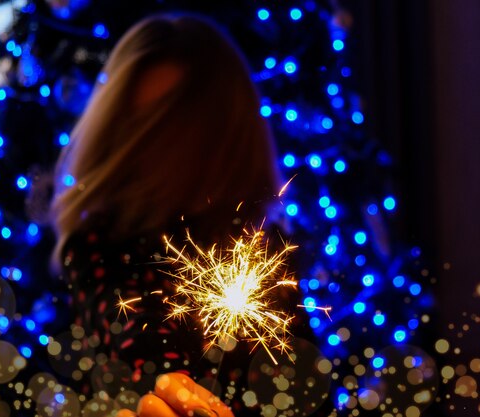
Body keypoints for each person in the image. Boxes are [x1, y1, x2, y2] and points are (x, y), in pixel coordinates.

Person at [51, 14, 297, 417]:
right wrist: (166, 382)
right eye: (143, 126)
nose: (158, 150)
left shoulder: (264, 246)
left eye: (176, 128)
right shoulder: (97, 247)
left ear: (224, 134)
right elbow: (129, 320)